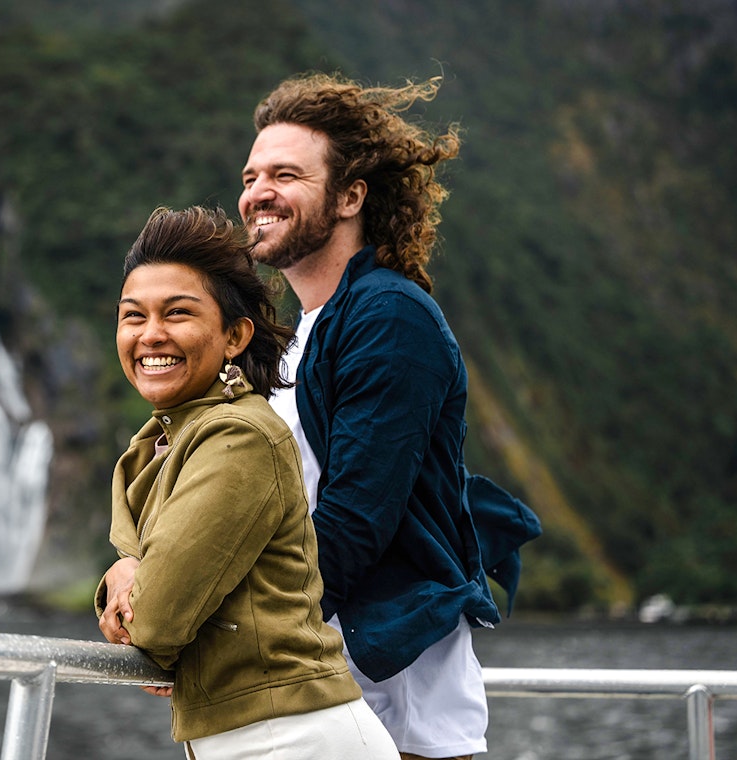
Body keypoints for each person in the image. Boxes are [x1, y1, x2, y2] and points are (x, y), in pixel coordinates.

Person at [236, 72, 541, 760]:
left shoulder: (387, 315)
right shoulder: (300, 334)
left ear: (351, 195)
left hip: (388, 711)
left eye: (285, 174)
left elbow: (353, 521)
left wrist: (221, 633)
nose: (257, 192)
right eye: (252, 175)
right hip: (313, 689)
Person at [96, 205, 399, 759]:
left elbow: (158, 623)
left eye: (178, 313)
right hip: (251, 738)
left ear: (234, 335)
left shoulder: (239, 438)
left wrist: (127, 577)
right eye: (132, 316)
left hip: (296, 739)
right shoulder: (161, 446)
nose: (151, 335)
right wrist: (129, 567)